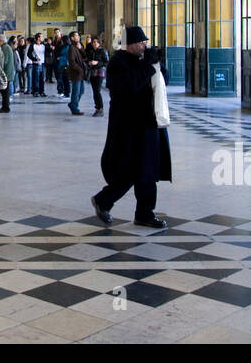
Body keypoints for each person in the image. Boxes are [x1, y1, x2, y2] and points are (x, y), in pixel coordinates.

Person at [91, 25, 172, 229]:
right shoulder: (118, 63)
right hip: (128, 126)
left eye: (145, 42)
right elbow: (129, 88)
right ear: (130, 45)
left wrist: (159, 64)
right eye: (141, 43)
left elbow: (163, 82)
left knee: (148, 170)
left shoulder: (143, 59)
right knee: (129, 169)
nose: (144, 46)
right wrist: (148, 65)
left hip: (149, 123)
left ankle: (144, 213)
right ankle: (104, 200)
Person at [87, 36, 109, 116]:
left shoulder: (103, 51)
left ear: (99, 43)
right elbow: (87, 60)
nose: (94, 43)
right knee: (94, 91)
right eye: (93, 42)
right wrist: (89, 63)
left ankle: (100, 108)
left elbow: (106, 62)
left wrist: (97, 63)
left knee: (97, 90)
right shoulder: (91, 51)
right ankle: (97, 107)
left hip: (100, 72)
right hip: (93, 72)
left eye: (96, 42)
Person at [66, 31, 88, 115]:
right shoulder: (71, 48)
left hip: (80, 73)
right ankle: (74, 108)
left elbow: (85, 56)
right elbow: (72, 62)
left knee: (81, 91)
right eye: (76, 36)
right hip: (76, 73)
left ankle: (72, 104)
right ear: (72, 38)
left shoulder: (78, 46)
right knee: (76, 91)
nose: (78, 37)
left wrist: (81, 49)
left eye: (78, 35)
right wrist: (80, 70)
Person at [0, 36, 17, 114]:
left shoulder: (5, 48)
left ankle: (5, 107)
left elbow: (4, 61)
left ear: (1, 41)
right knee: (5, 91)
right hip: (9, 72)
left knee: (5, 92)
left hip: (6, 73)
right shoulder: (7, 47)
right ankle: (5, 106)